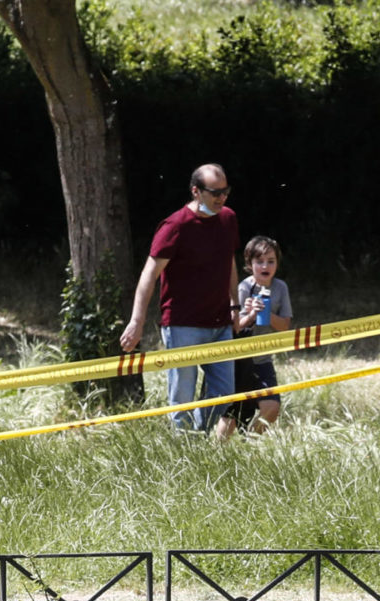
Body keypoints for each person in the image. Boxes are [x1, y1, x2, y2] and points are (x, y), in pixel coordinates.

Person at [121, 164, 240, 433]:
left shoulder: (228, 218)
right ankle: (184, 453)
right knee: (182, 400)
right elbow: (149, 275)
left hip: (221, 323)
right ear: (196, 192)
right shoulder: (175, 226)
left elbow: (230, 263)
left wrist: (235, 306)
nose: (222, 198)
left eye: (225, 192)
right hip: (182, 326)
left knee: (225, 397)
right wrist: (136, 321)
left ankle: (200, 441)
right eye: (215, 193)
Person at [217, 235, 293, 439]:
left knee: (272, 407)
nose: (265, 266)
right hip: (239, 361)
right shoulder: (242, 288)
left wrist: (267, 315)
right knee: (231, 413)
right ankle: (217, 453)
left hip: (263, 360)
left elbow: (285, 326)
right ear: (250, 264)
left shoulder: (280, 288)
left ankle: (249, 442)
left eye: (271, 261)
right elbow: (234, 328)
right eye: (259, 261)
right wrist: (250, 315)